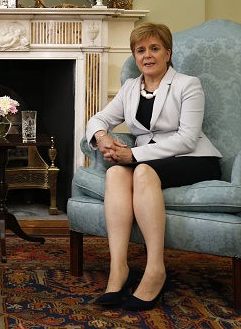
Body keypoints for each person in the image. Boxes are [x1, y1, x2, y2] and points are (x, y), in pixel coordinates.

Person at [85, 22, 222, 311]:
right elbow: (97, 120)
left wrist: (134, 155)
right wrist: (103, 137)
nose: (147, 55)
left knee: (143, 170)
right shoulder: (130, 88)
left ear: (168, 53)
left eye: (155, 48)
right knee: (115, 174)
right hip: (151, 158)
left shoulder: (188, 84)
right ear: (135, 57)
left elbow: (186, 139)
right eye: (140, 50)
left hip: (195, 159)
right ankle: (119, 268)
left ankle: (156, 269)